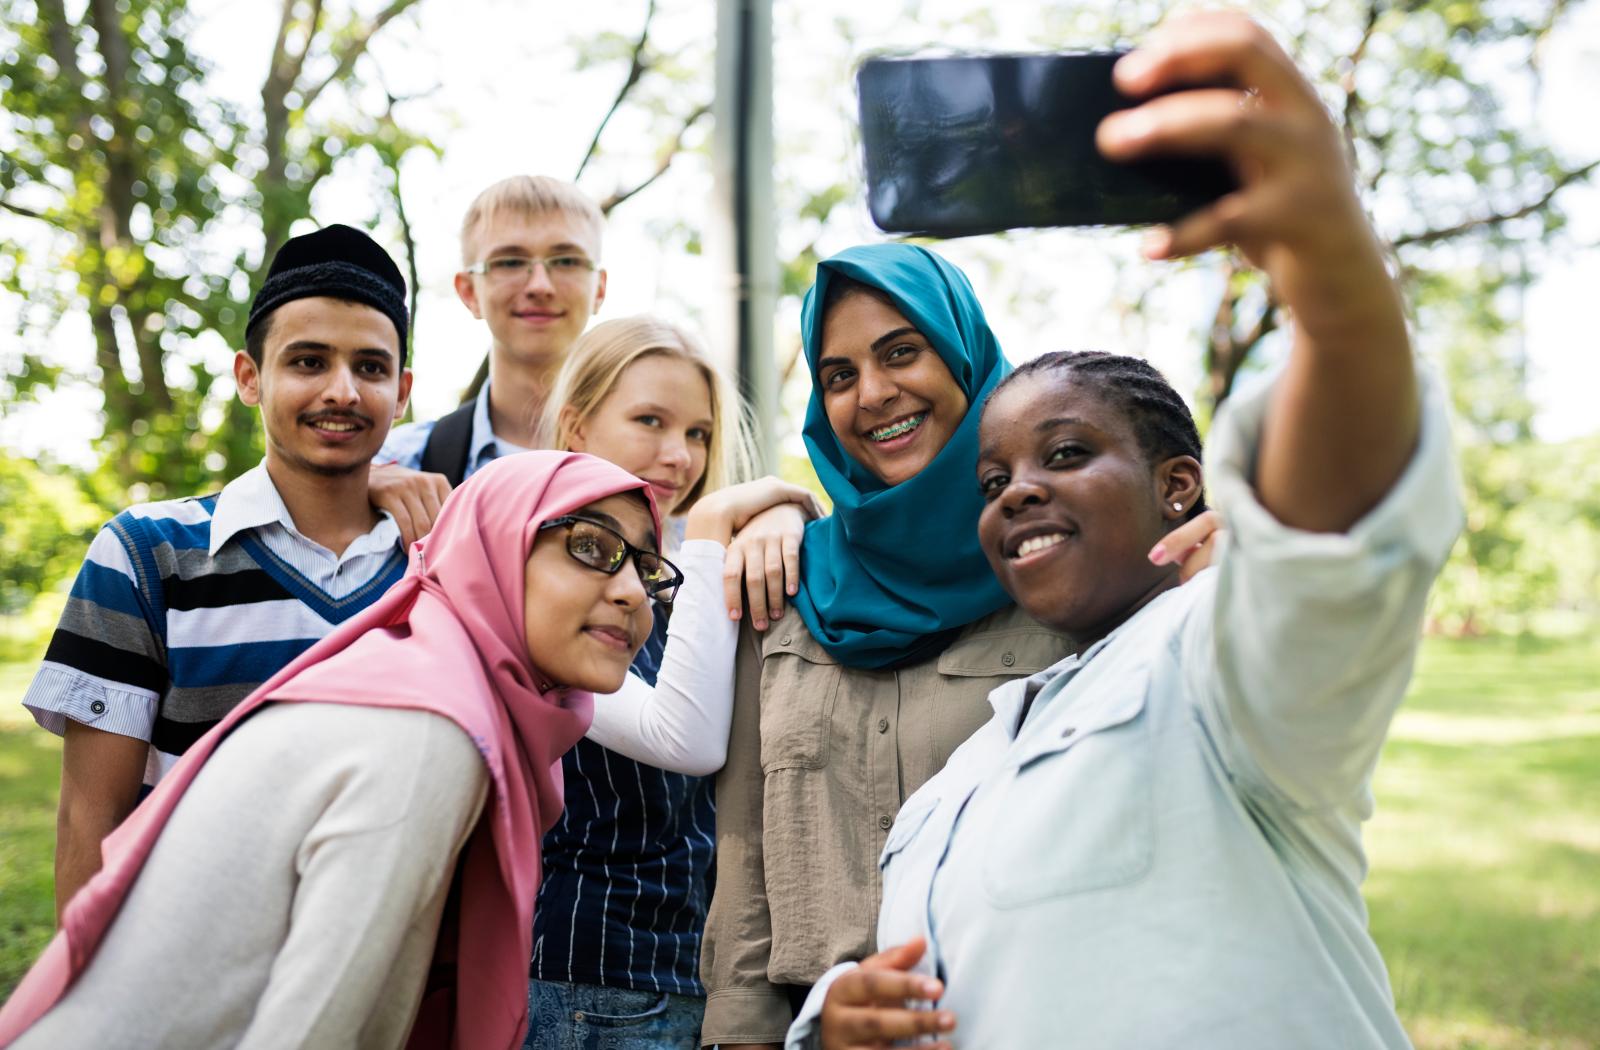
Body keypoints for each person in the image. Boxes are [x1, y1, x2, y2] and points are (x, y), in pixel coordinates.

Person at [790, 12, 1462, 1048]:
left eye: (1064, 456)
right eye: (990, 480)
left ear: (1181, 489)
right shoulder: (953, 789)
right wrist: (832, 1025)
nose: (1013, 494)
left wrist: (1332, 276)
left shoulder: (1214, 667)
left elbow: (1334, 525)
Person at [699, 236, 1220, 1048]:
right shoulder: (782, 581)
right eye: (838, 376)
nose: (872, 394)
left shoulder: (1069, 576)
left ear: (964, 359)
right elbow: (745, 855)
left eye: (901, 351)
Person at [0, 451, 696, 1049]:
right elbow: (311, 1032)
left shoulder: (426, 677)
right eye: (592, 547)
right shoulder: (430, 733)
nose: (634, 592)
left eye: (646, 566)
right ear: (496, 544)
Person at [20, 223, 415, 916]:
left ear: (403, 392)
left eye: (371, 368)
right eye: (308, 362)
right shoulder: (147, 555)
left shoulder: (438, 567)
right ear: (249, 378)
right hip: (185, 985)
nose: (343, 391)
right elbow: (90, 822)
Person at [522, 314, 812, 1049]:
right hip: (587, 981)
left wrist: (778, 511)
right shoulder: (537, 573)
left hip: (691, 976)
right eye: (650, 421)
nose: (678, 455)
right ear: (578, 427)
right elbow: (682, 738)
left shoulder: (673, 579)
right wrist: (720, 524)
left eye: (698, 434)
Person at [371, 175, 609, 545]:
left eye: (566, 260)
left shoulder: (659, 467)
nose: (540, 286)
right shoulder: (398, 462)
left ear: (600, 288)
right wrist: (348, 488)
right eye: (511, 262)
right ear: (468, 292)